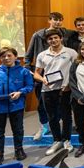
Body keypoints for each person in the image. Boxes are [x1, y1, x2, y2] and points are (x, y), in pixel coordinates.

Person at [25, 12, 74, 141]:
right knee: (43, 105)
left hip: (62, 76)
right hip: (43, 76)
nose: (57, 22)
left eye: (60, 20)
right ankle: (44, 127)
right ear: (49, 20)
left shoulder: (67, 34)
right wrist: (33, 73)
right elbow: (28, 55)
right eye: (55, 20)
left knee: (64, 107)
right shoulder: (38, 35)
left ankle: (64, 135)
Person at [0, 47, 34, 166]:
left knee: (18, 129)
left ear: (15, 56)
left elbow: (30, 86)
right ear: (0, 58)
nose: (6, 58)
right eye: (3, 56)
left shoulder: (23, 71)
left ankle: (19, 150)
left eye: (9, 55)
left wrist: (20, 92)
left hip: (16, 105)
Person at [33, 29, 78, 156]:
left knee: (66, 116)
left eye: (55, 38)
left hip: (65, 89)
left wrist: (70, 84)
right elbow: (36, 73)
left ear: (61, 38)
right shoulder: (42, 55)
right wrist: (43, 79)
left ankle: (67, 140)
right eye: (50, 39)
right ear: (47, 41)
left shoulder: (71, 52)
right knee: (52, 117)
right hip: (47, 90)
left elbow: (76, 70)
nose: (53, 40)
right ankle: (57, 140)